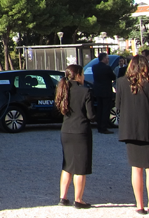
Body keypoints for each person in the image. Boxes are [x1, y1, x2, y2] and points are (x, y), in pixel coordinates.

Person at [116, 55, 149, 215]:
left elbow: (118, 106)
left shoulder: (122, 83)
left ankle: (139, 205)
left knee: (136, 169)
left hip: (130, 130)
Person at [54, 64, 95, 209]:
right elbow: (91, 115)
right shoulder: (85, 91)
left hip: (66, 131)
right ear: (78, 75)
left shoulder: (63, 89)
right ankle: (78, 199)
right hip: (81, 131)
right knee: (80, 167)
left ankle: (63, 197)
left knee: (67, 165)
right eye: (82, 74)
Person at [91, 52, 116, 134]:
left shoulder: (94, 67)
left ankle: (99, 126)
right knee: (106, 109)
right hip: (106, 91)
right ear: (104, 59)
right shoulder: (107, 68)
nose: (108, 60)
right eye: (107, 58)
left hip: (98, 90)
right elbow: (113, 77)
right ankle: (104, 127)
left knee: (99, 108)